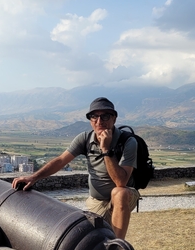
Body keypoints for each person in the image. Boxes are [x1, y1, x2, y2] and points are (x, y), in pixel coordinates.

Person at [11, 97, 139, 239]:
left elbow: (121, 182)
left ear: (114, 119)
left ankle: (118, 249)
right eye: (94, 116)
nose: (99, 121)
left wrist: (105, 149)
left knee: (119, 193)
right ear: (90, 120)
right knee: (87, 239)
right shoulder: (85, 139)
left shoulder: (128, 141)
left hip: (124, 196)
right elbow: (60, 161)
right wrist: (34, 177)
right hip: (97, 201)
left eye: (105, 116)